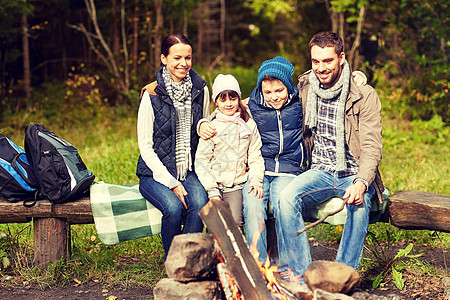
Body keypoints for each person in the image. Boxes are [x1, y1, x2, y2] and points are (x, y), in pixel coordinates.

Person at [279, 31, 385, 278]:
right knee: (286, 197)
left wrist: (361, 182)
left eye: (327, 61)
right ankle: (301, 274)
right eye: (316, 61)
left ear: (341, 58)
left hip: (353, 172)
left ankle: (341, 275)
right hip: (320, 171)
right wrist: (238, 107)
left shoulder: (363, 95)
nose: (321, 68)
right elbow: (274, 96)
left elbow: (371, 147)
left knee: (360, 204)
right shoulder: (306, 86)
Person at [136, 33, 210, 259]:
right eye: (177, 58)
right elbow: (145, 147)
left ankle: (188, 262)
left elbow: (204, 130)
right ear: (163, 59)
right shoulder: (151, 94)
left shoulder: (201, 90)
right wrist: (171, 183)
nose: (183, 64)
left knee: (200, 204)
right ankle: (174, 262)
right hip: (154, 174)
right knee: (174, 209)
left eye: (188, 58)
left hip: (188, 169)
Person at [242, 57, 306, 270]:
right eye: (267, 92)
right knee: (252, 203)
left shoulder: (301, 103)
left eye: (279, 90)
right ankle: (258, 266)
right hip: (259, 169)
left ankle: (289, 267)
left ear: (288, 86)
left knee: (282, 201)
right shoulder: (251, 105)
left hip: (289, 169)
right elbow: (223, 113)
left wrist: (358, 77)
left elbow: (321, 83)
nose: (273, 97)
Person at [195, 74, 265, 227]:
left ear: (238, 99)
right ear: (216, 102)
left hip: (236, 185)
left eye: (232, 98)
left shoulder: (248, 125)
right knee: (218, 227)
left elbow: (255, 155)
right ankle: (217, 250)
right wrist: (211, 189)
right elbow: (201, 161)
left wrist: (255, 179)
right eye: (223, 99)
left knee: (235, 225)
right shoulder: (211, 127)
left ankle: (237, 251)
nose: (228, 103)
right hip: (213, 184)